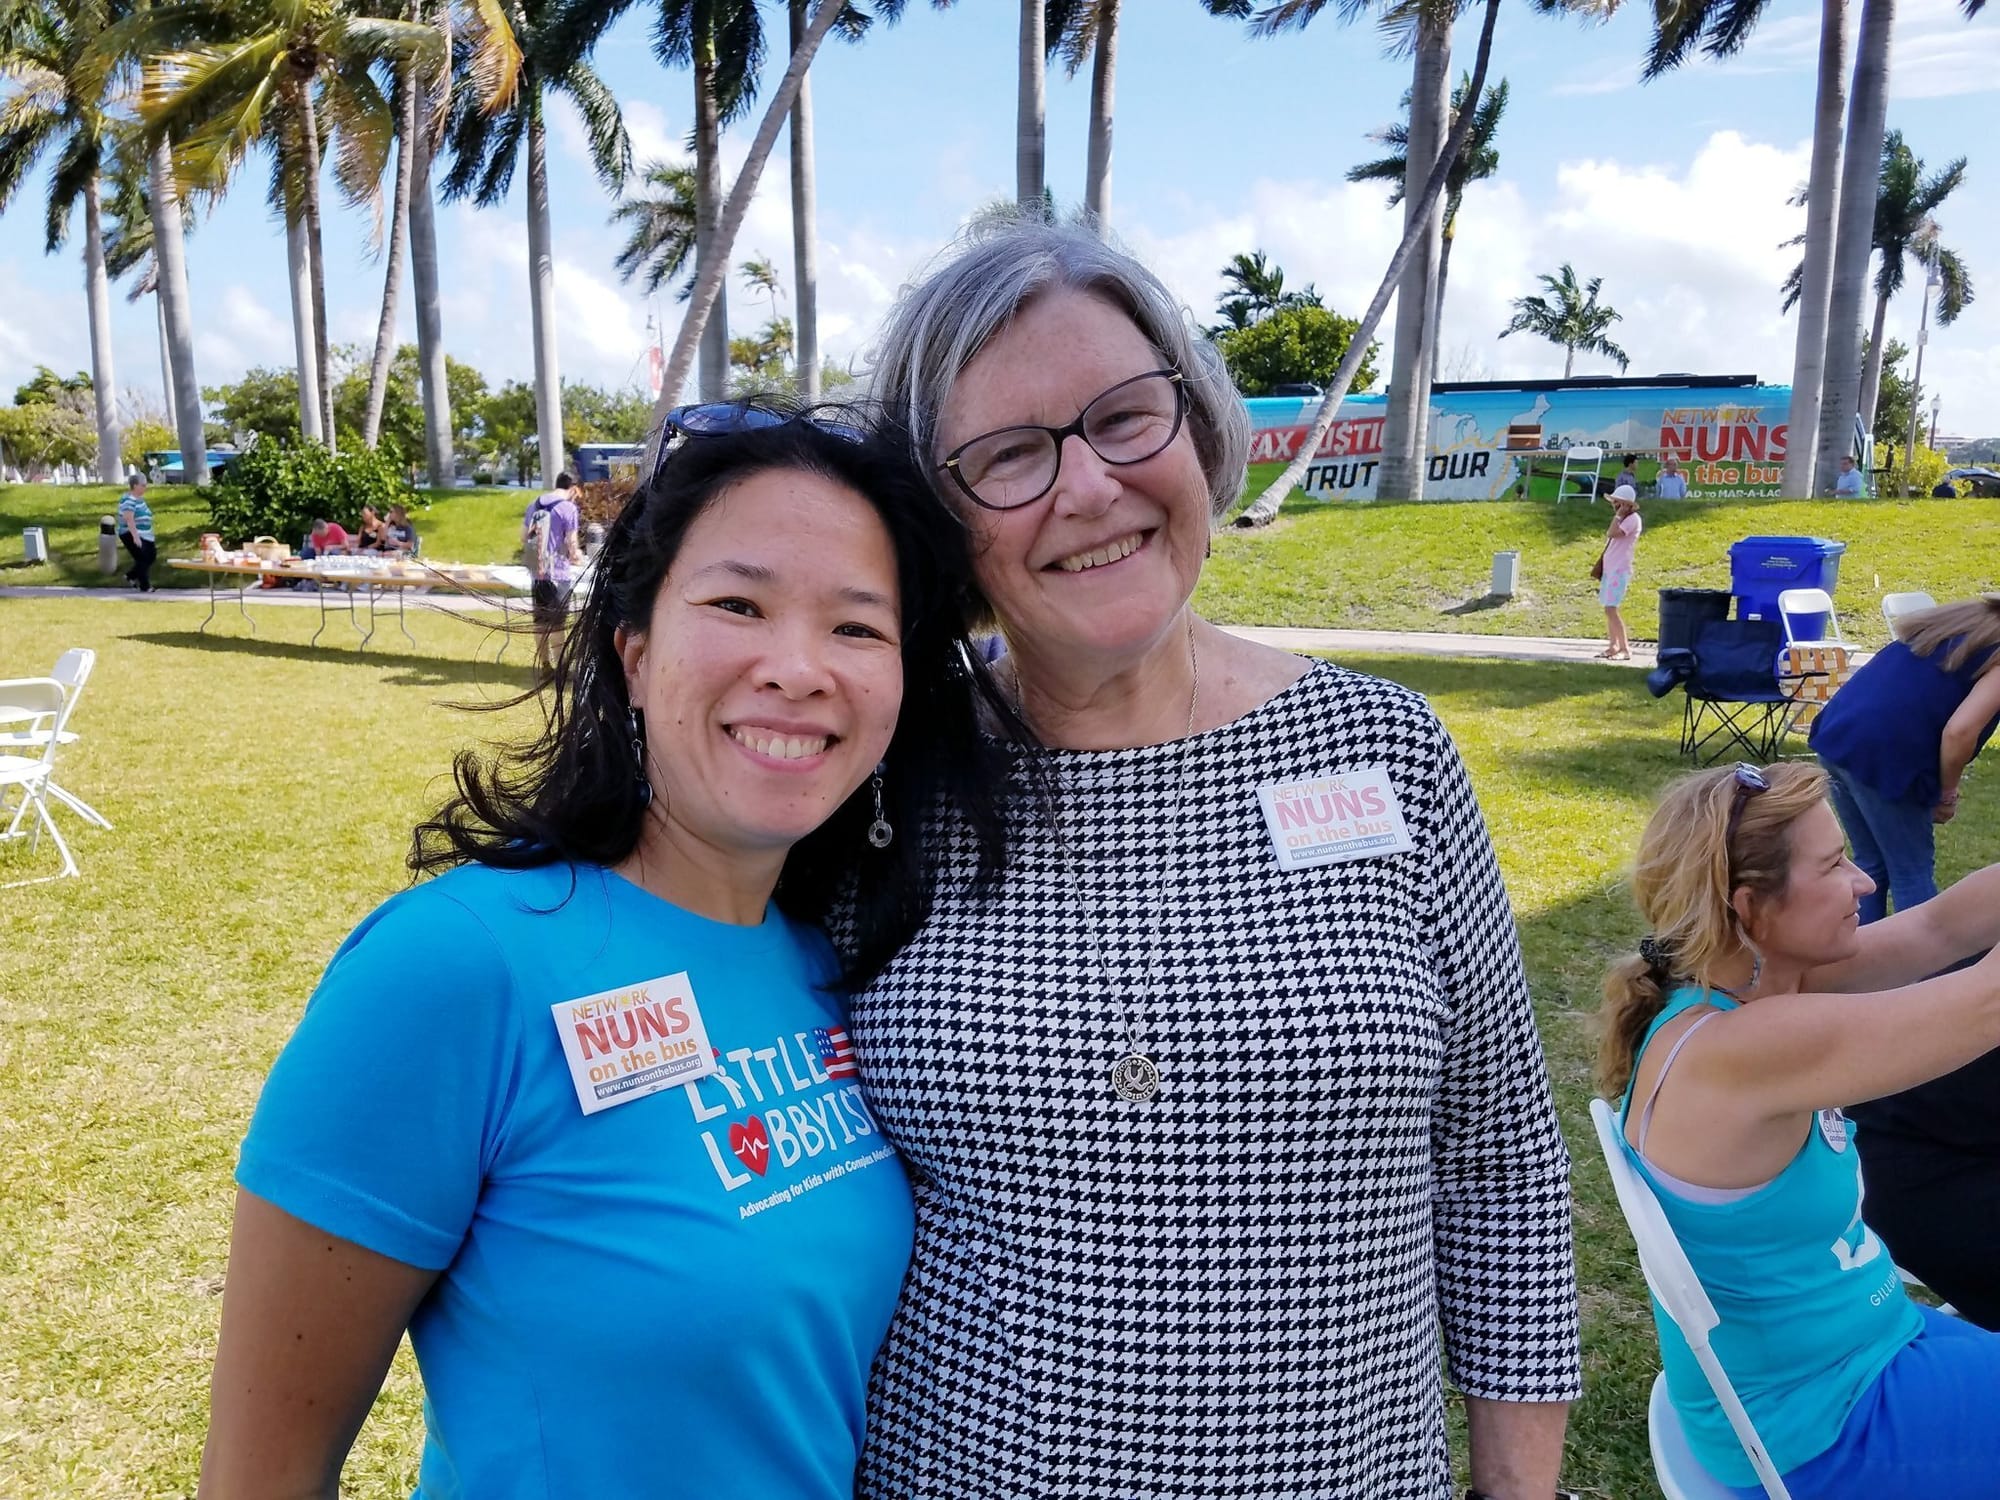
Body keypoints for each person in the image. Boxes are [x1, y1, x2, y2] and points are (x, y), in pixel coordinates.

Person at [859, 216, 1581, 1499]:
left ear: (1196, 426)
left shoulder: (1385, 747)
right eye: (1007, 457)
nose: (1086, 487)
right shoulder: (882, 771)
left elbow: (1499, 1164)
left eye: (1125, 417)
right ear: (937, 518)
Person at [196, 410, 1017, 1499]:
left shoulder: (830, 965)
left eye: (857, 629)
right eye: (737, 604)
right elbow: (263, 1478)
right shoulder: (455, 969)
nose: (796, 668)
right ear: (633, 653)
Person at [1600, 761, 2000, 1497]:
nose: (1862, 882)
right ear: (1750, 908)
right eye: (1833, 865)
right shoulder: (1747, 1048)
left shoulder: (1742, 991)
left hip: (1858, 1360)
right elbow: (1985, 1004)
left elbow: (1942, 927)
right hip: (1827, 1426)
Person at [1810, 596, 2000, 920]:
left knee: (1872, 862)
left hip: (1839, 732)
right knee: (1911, 871)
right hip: (1889, 753)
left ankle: (1856, 960)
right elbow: (1960, 731)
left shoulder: (1965, 619)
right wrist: (1946, 791)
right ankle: (1921, 970)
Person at [523, 472, 584, 671]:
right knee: (557, 624)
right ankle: (561, 669)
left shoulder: (534, 504)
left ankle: (545, 664)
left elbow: (523, 537)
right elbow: (572, 543)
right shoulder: (568, 508)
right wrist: (576, 557)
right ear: (573, 488)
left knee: (540, 622)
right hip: (558, 573)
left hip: (537, 573)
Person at [1597, 485, 1642, 660]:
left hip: (1619, 570)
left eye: (1618, 502)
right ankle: (1613, 646)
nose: (1615, 505)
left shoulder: (1632, 519)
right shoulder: (1623, 519)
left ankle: (1624, 648)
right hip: (1611, 569)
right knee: (1608, 608)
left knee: (1611, 609)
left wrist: (1618, 516)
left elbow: (1612, 533)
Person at [117, 473, 157, 591]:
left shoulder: (139, 500)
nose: (145, 488)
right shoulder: (128, 500)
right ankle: (145, 586)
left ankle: (130, 576)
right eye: (143, 485)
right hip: (130, 533)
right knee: (143, 558)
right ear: (135, 486)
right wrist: (135, 537)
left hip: (145, 534)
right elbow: (129, 518)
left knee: (151, 556)